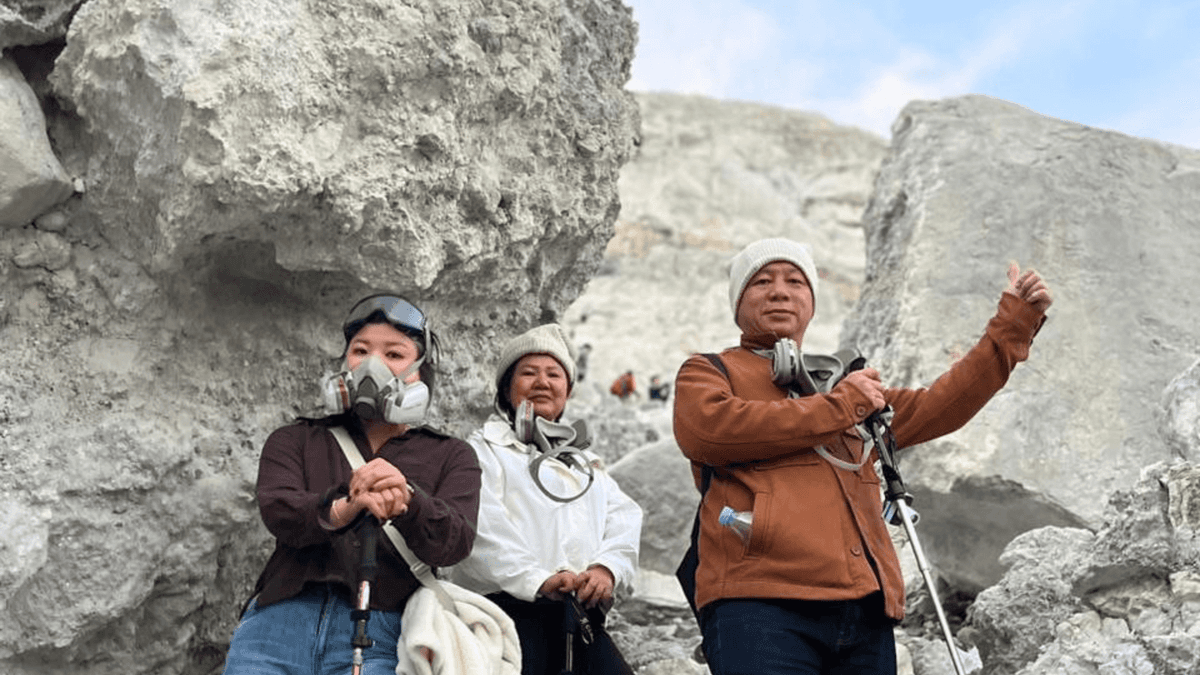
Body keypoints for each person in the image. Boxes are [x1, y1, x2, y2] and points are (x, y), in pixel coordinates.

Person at [672, 238, 1052, 675]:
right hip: (758, 604)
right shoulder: (709, 372)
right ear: (738, 302)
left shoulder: (844, 388)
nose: (779, 292)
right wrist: (841, 407)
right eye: (761, 282)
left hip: (864, 610)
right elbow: (709, 431)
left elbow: (942, 405)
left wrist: (1013, 326)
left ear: (811, 302)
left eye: (795, 281)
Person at [223, 294, 482, 675]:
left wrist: (409, 503)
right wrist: (346, 507)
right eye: (361, 350)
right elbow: (280, 511)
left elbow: (455, 543)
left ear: (420, 373)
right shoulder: (295, 439)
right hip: (278, 625)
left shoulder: (451, 454)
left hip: (387, 632)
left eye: (394, 354)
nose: (373, 364)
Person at [450, 324, 643, 675]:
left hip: (578, 615)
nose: (542, 382)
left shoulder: (585, 463)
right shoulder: (481, 451)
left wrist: (606, 569)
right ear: (506, 388)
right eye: (528, 373)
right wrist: (538, 579)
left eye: (554, 374)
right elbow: (481, 527)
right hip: (506, 618)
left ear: (567, 391)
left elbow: (625, 518)